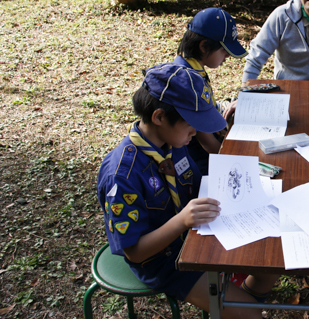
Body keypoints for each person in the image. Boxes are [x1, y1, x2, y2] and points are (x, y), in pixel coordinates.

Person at [96, 63, 278, 318]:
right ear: (159, 117)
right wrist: (182, 220)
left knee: (269, 265)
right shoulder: (122, 176)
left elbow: (194, 184)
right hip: (163, 261)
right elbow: (134, 252)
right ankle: (242, 308)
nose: (197, 131)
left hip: (198, 232)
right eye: (191, 123)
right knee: (250, 315)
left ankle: (242, 301)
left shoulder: (173, 141)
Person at [173, 7, 248, 176]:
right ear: (204, 46)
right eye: (224, 51)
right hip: (196, 158)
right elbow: (206, 142)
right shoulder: (188, 82)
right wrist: (235, 162)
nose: (228, 56)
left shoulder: (191, 67)